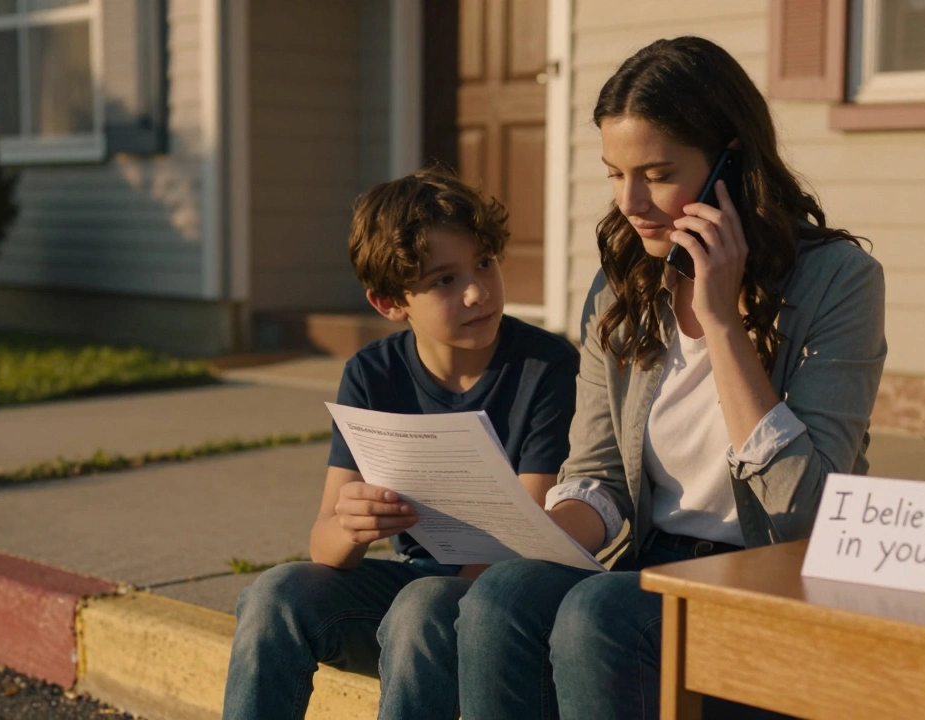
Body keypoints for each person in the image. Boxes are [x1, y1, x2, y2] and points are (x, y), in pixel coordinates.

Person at [450, 36, 888, 719]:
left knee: (600, 612)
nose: (630, 202)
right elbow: (596, 471)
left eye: (655, 174)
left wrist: (721, 322)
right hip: (645, 566)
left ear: (730, 164)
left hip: (769, 576)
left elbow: (804, 508)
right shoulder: (623, 283)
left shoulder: (839, 281)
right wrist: (543, 538)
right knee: (501, 596)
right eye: (613, 174)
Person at [219, 168, 579, 720]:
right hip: (415, 589)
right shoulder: (372, 373)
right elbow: (325, 545)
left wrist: (431, 594)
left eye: (484, 263)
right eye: (444, 280)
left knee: (420, 606)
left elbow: (527, 535)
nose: (478, 291)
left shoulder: (546, 367)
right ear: (391, 303)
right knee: (275, 596)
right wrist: (351, 526)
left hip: (508, 603)